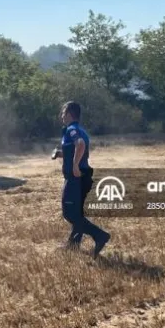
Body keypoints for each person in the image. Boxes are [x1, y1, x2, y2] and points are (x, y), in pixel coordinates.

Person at [58, 101, 111, 257]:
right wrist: (62, 155)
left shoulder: (72, 129)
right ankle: (73, 245)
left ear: (69, 113)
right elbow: (77, 149)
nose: (61, 116)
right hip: (82, 176)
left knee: (70, 213)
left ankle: (100, 236)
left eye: (63, 113)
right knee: (76, 212)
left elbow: (80, 145)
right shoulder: (80, 130)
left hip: (76, 177)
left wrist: (74, 165)